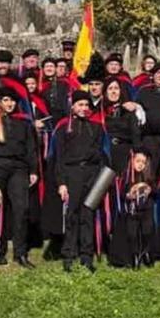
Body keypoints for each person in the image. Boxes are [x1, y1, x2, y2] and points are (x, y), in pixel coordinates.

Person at [0, 87, 39, 267]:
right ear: (0, 102)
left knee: (21, 208)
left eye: (12, 100)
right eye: (6, 100)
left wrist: (33, 171)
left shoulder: (25, 124)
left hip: (19, 168)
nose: (10, 104)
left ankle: (20, 252)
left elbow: (31, 149)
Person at [52, 91, 109, 273]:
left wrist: (100, 179)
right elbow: (59, 158)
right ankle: (69, 255)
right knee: (72, 215)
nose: (84, 108)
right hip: (72, 173)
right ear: (73, 107)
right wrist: (61, 182)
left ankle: (87, 257)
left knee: (88, 216)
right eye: (80, 105)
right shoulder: (63, 128)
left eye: (86, 105)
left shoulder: (97, 127)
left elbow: (101, 154)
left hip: (92, 174)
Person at [108, 150, 156, 269]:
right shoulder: (126, 176)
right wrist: (128, 195)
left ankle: (146, 253)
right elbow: (120, 193)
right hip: (132, 211)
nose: (140, 164)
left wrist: (150, 190)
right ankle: (134, 256)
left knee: (147, 231)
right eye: (138, 161)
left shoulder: (148, 177)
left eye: (143, 162)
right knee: (132, 233)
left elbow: (156, 191)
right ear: (132, 161)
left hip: (146, 210)